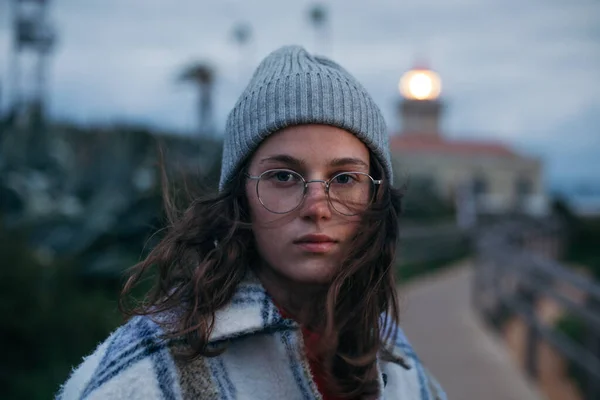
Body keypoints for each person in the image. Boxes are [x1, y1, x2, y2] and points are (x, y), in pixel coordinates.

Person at [57, 45, 446, 400]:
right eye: (283, 176)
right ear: (239, 196)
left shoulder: (393, 357)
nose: (317, 207)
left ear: (375, 197)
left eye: (344, 179)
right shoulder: (149, 370)